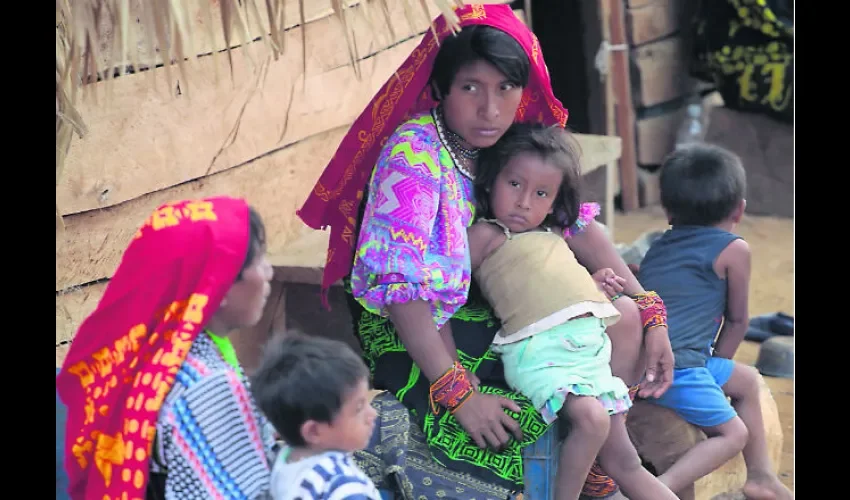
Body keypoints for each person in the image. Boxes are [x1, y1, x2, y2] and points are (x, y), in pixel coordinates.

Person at [297, 4, 675, 498]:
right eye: (471, 87)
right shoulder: (414, 156)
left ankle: (602, 460)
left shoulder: (503, 141)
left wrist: (650, 309)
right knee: (523, 400)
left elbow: (571, 220)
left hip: (490, 295)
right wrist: (460, 393)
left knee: (623, 316)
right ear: (441, 88)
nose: (490, 109)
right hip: (414, 321)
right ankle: (591, 465)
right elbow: (401, 293)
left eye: (506, 89)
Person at [460, 122, 676, 500]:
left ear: (556, 201)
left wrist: (590, 286)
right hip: (540, 352)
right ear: (492, 181)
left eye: (540, 193)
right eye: (514, 185)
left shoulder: (554, 233)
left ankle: (599, 472)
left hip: (589, 351)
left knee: (626, 461)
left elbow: (545, 283)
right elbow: (446, 290)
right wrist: (455, 368)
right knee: (592, 420)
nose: (524, 201)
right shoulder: (487, 235)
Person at [56, 196, 276, 500]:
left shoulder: (125, 354)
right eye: (260, 261)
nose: (269, 273)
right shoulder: (208, 388)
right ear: (218, 284)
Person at [638, 144, 793, 500]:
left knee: (748, 379)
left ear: (668, 211)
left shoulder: (658, 245)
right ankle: (657, 490)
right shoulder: (734, 249)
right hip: (682, 367)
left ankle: (761, 477)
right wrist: (713, 369)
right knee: (733, 434)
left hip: (649, 358)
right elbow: (738, 320)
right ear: (739, 210)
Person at [252, 334, 381, 500]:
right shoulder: (342, 483)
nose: (372, 414)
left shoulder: (282, 461)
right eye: (358, 408)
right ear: (313, 431)